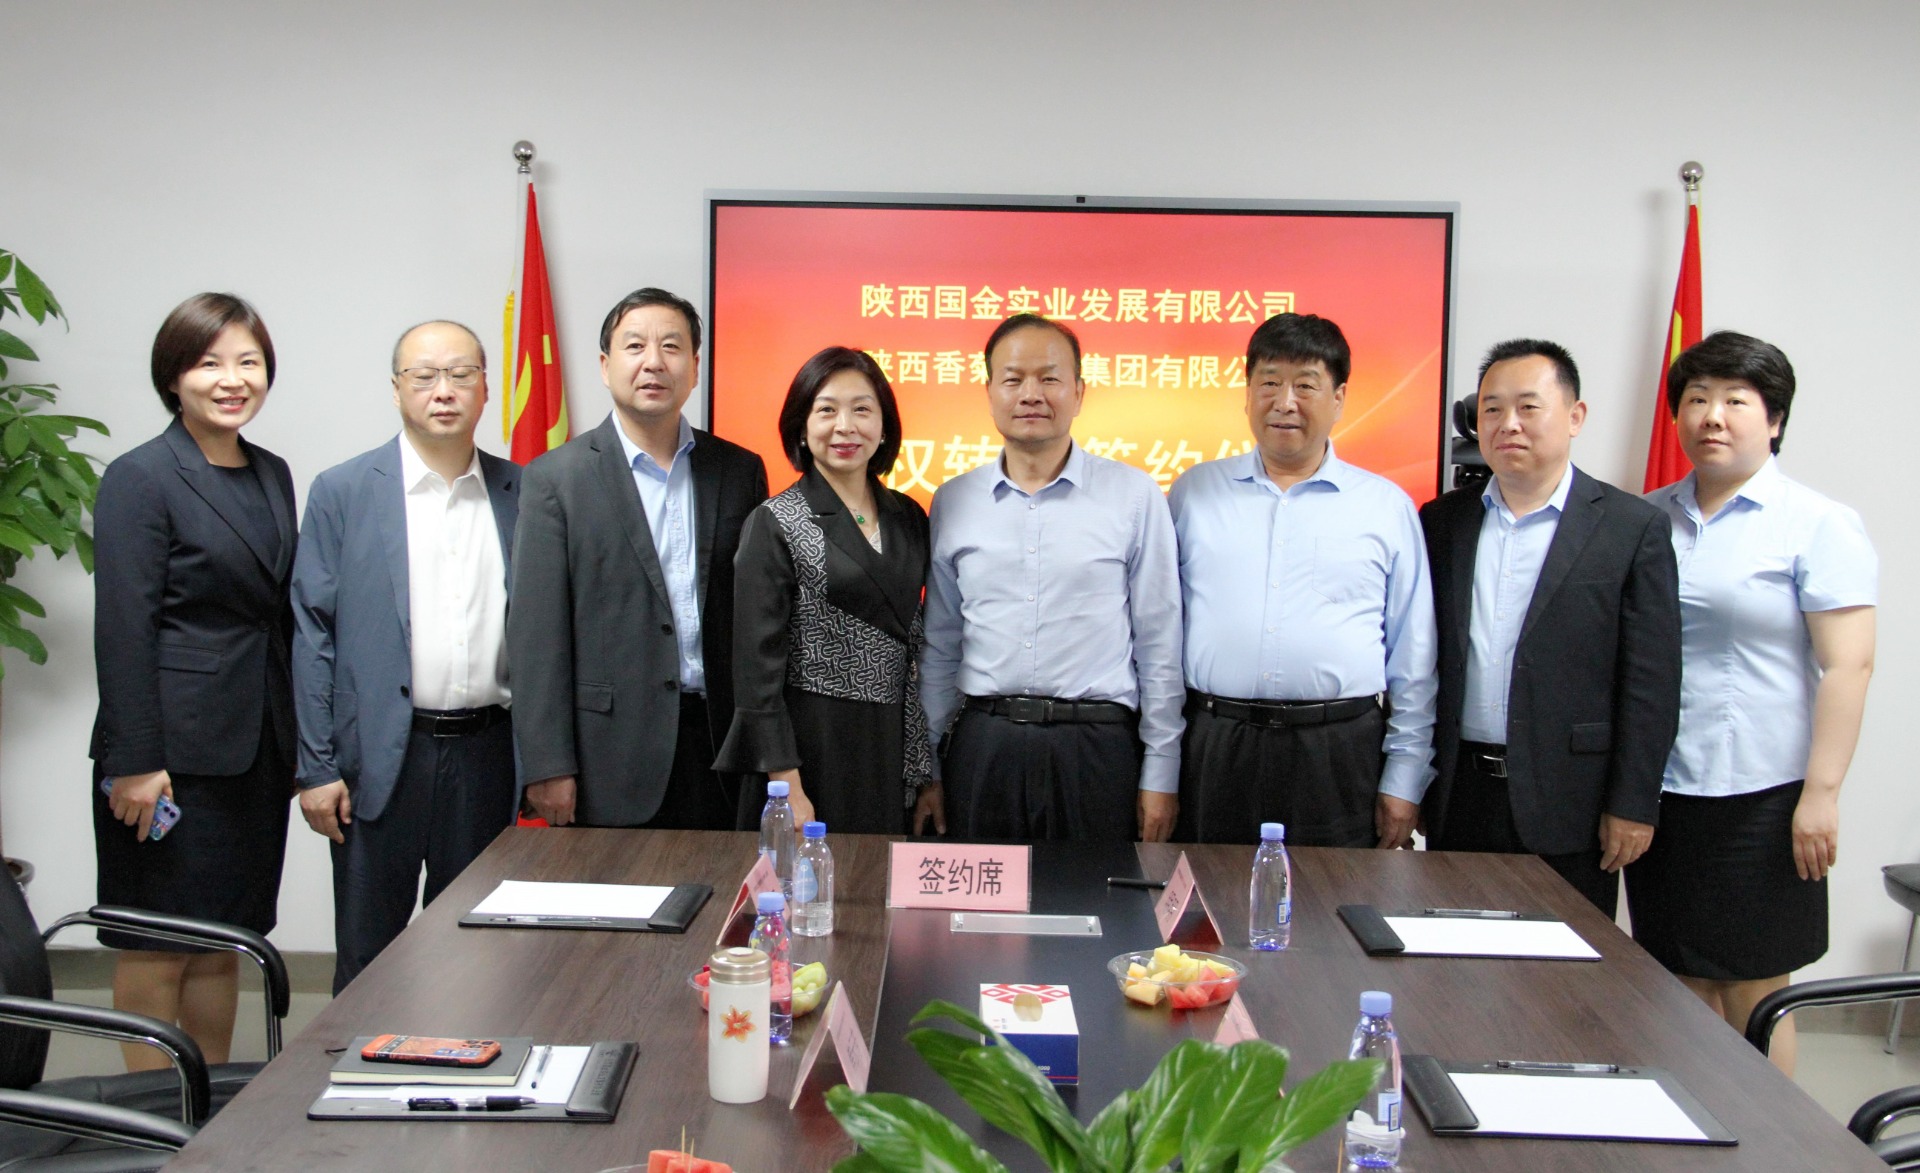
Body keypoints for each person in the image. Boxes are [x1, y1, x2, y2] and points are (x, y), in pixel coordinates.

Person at [1627, 331, 1875, 1076]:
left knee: (1753, 987)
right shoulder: (1646, 518)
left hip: (1763, 793)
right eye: (1697, 399)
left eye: (1736, 400)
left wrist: (1821, 794)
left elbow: (1849, 664)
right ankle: (1696, 1129)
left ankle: (1768, 1135)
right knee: (1673, 979)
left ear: (1774, 420)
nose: (1712, 416)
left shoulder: (1816, 522)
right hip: (1663, 788)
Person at [90, 293, 295, 1070]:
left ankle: (204, 1112)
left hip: (255, 747)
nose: (231, 379)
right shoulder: (141, 476)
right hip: (169, 759)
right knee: (158, 939)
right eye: (210, 363)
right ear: (174, 376)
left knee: (223, 939)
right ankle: (152, 1114)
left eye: (248, 362)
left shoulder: (271, 472)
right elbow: (124, 627)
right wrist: (136, 758)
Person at [291, 321, 520, 994]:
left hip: (487, 756)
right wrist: (316, 766)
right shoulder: (343, 490)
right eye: (424, 376)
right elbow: (312, 634)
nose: (443, 391)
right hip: (377, 760)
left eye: (460, 375)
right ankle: (358, 1064)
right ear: (396, 390)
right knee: (369, 957)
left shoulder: (524, 492)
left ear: (485, 389)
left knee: (476, 956)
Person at [1420, 339, 1680, 916]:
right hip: (1460, 794)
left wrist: (1633, 803)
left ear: (1575, 416)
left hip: (1573, 802)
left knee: (1564, 963)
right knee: (1451, 953)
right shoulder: (1442, 521)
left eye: (1528, 406)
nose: (1507, 423)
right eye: (1491, 408)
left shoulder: (1631, 527)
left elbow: (1652, 682)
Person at [1170, 313, 1435, 848]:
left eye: (1306, 385)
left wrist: (1405, 776)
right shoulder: (1192, 493)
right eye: (1269, 382)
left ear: (1339, 398)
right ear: (1247, 394)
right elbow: (1158, 631)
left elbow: (1414, 653)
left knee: (1336, 895)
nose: (1284, 402)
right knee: (1211, 895)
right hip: (1217, 744)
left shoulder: (1384, 506)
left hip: (1338, 751)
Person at [509, 288, 768, 828]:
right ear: (606, 367)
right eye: (635, 346)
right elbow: (537, 636)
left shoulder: (739, 470)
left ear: (694, 367)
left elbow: (754, 617)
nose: (654, 362)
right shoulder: (556, 479)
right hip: (608, 755)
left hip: (721, 749)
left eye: (672, 346)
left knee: (723, 884)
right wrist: (548, 763)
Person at [920, 313, 1183, 842]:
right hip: (985, 743)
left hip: (1097, 747)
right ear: (989, 392)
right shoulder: (954, 500)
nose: (1031, 394)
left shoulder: (1133, 497)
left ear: (1079, 392)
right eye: (1013, 379)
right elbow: (941, 643)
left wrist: (1162, 769)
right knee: (984, 895)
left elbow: (1159, 642)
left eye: (1050, 378)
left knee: (1098, 893)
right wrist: (927, 765)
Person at [715, 347, 938, 835]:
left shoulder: (908, 516)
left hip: (890, 742)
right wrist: (786, 784)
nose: (845, 426)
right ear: (801, 426)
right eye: (827, 410)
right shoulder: (776, 521)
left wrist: (925, 770)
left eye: (862, 409)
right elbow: (756, 671)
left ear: (884, 425)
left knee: (882, 875)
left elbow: (920, 643)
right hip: (808, 745)